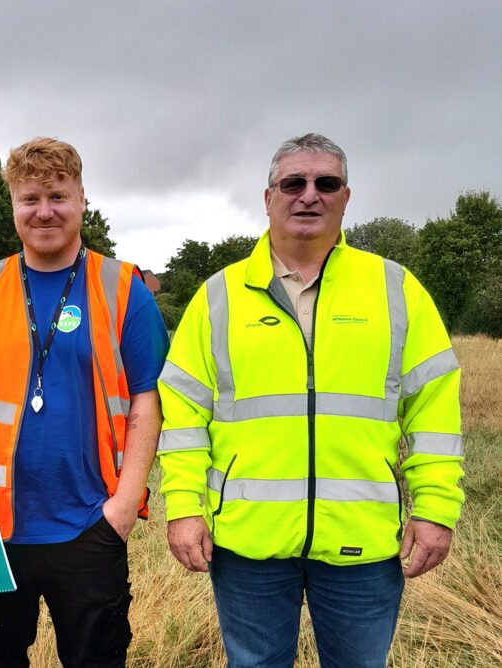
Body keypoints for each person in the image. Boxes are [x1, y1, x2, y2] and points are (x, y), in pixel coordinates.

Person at [158, 133, 464, 667]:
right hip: (248, 543)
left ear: (346, 197)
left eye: (327, 183)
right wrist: (184, 509)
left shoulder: (395, 289)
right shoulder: (218, 297)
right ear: (268, 196)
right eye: (293, 183)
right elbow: (183, 415)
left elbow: (434, 410)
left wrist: (437, 510)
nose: (309, 195)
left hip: (361, 545)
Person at [0, 137, 169, 667]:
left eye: (58, 197)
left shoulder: (124, 288)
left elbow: (146, 401)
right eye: (30, 199)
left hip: (92, 523)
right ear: (14, 206)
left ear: (82, 200)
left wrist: (124, 507)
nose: (45, 211)